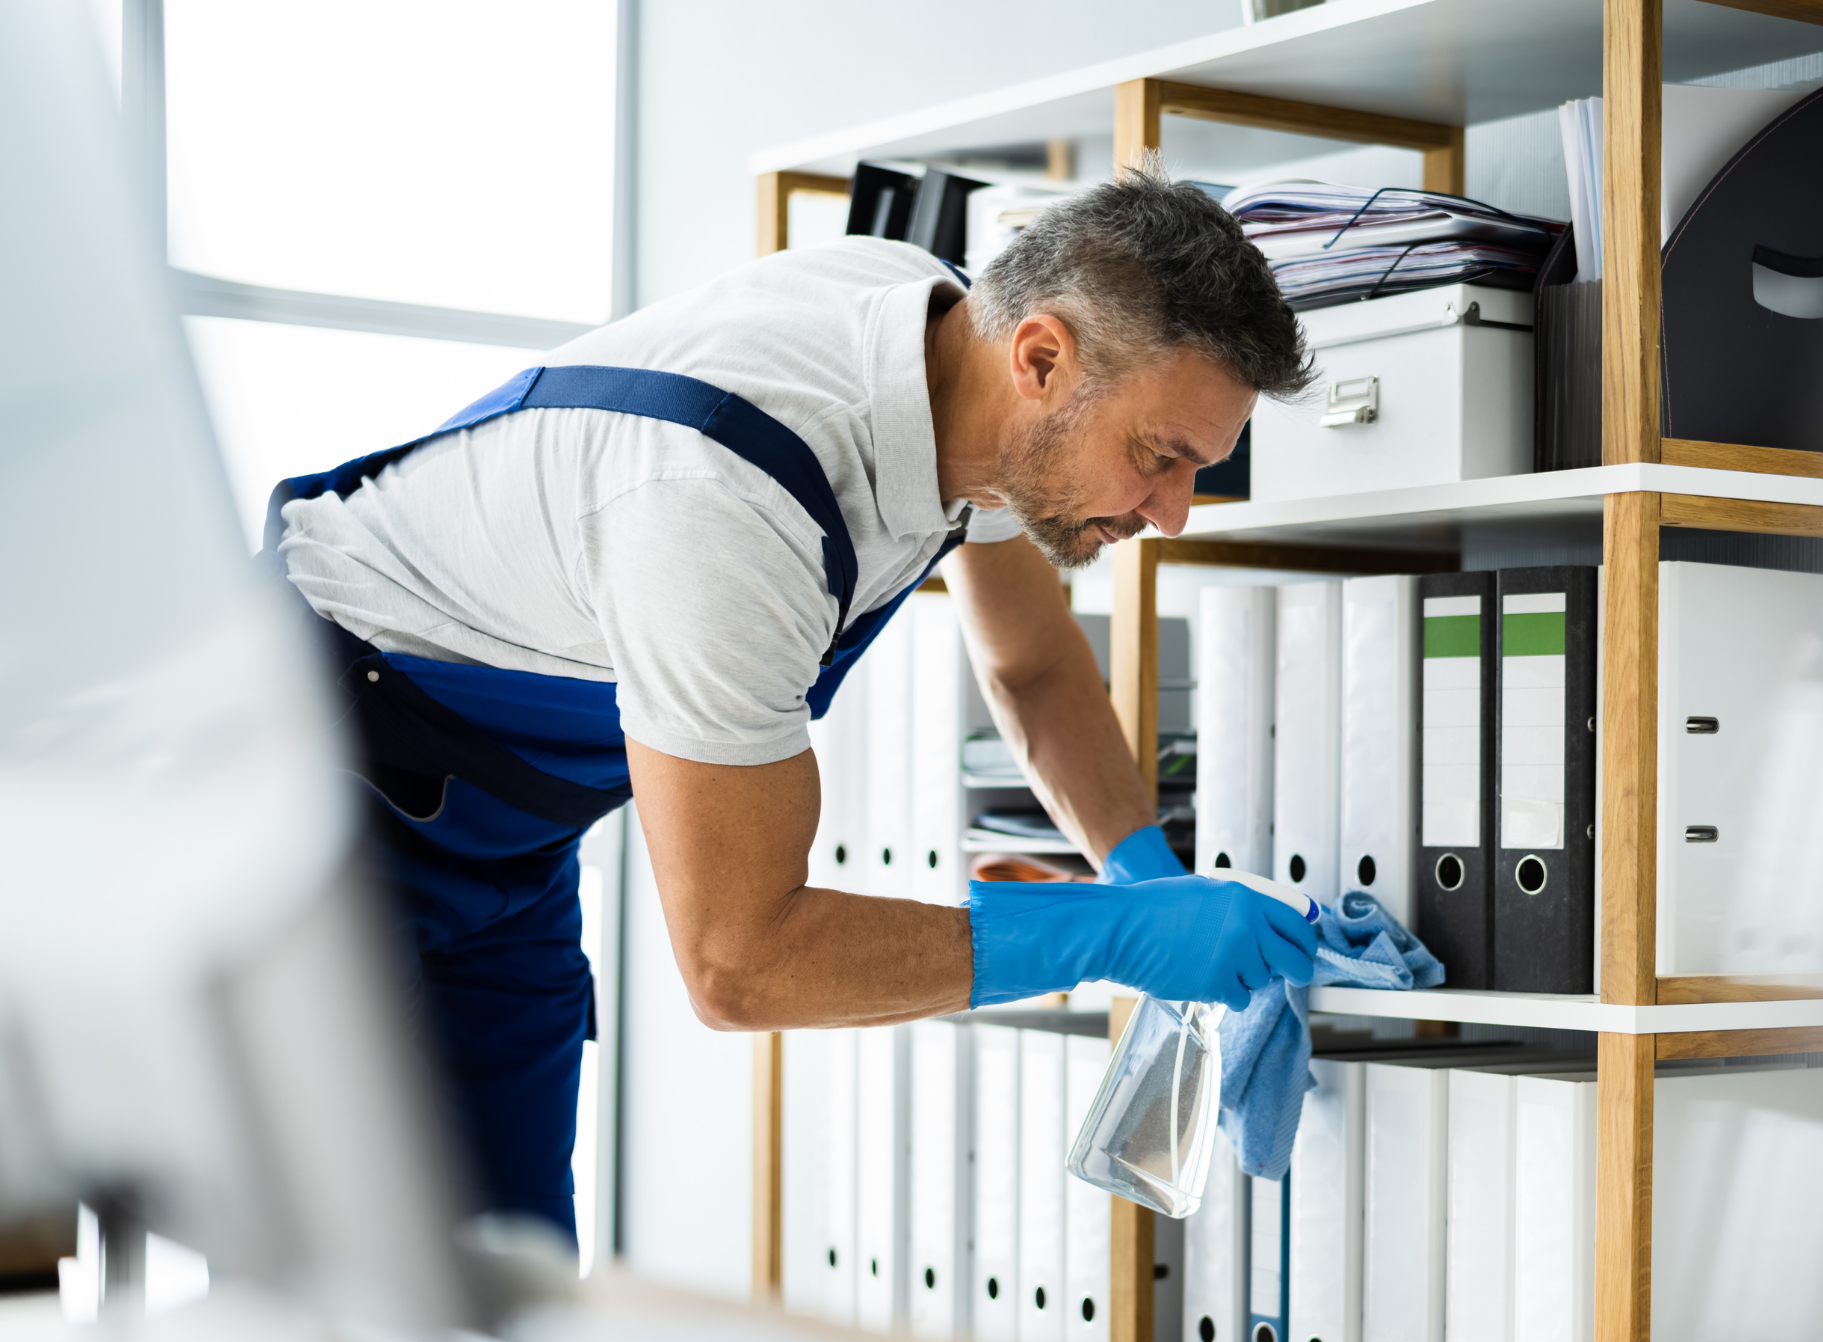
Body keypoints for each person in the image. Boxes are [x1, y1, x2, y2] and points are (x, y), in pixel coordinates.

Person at [274, 166, 1321, 1237]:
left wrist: (1141, 866)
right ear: (1042, 359)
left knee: (513, 1268)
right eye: (1160, 458)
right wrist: (1113, 936)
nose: (1177, 515)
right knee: (324, 1287)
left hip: (506, 829)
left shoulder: (964, 369)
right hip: (304, 790)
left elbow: (1034, 670)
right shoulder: (725, 505)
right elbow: (739, 962)